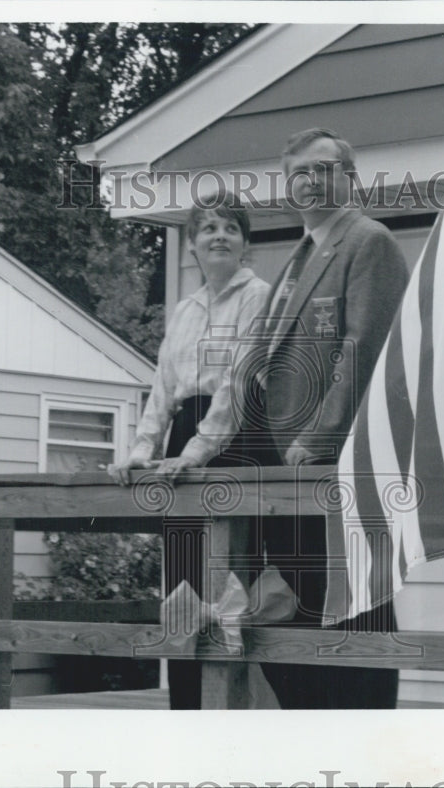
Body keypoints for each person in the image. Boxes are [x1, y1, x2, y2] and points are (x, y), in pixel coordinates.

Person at [242, 127, 410, 708]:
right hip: (283, 471)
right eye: (299, 174)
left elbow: (364, 349)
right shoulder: (297, 257)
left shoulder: (370, 242)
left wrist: (319, 439)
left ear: (348, 177)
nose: (310, 182)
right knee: (296, 612)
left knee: (353, 610)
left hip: (336, 464)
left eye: (323, 168)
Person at [107, 195, 269, 709]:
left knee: (227, 582)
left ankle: (234, 713)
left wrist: (198, 452)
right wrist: (140, 449)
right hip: (182, 442)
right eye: (207, 229)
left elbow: (239, 383)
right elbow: (163, 386)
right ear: (193, 245)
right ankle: (186, 710)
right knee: (182, 580)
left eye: (230, 228)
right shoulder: (184, 309)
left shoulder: (259, 296)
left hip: (237, 441)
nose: (218, 236)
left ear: (245, 243)